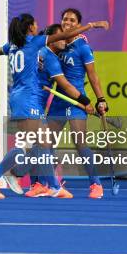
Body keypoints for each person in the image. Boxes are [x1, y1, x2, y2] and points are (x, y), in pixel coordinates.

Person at [0, 13, 108, 199]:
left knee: (42, 144)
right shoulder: (38, 45)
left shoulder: (15, 44)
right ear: (30, 27)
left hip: (22, 99)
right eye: (36, 24)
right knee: (27, 146)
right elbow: (64, 80)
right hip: (29, 100)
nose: (39, 27)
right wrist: (91, 25)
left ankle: (53, 186)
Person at [23, 24, 95, 198]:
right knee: (41, 144)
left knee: (40, 144)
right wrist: (86, 102)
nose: (63, 39)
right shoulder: (51, 58)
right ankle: (4, 176)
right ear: (52, 39)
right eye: (60, 37)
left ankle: (41, 183)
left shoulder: (35, 48)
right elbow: (66, 86)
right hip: (34, 103)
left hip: (32, 102)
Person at [45, 8, 109, 199]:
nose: (68, 23)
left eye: (72, 20)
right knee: (46, 144)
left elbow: (93, 76)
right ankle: (52, 183)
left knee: (80, 144)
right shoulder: (56, 42)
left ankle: (96, 185)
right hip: (58, 100)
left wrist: (101, 99)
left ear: (78, 24)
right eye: (65, 19)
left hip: (77, 101)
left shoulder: (83, 47)